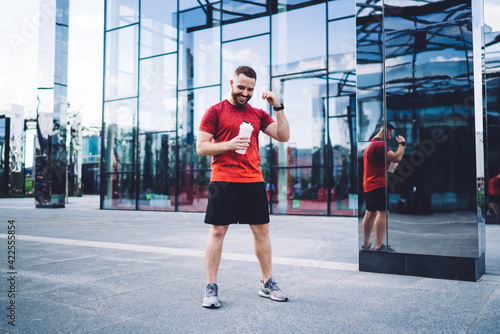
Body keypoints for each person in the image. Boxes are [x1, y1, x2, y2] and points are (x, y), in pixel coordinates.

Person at [197, 65, 290, 308]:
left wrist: (277, 106)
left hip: (252, 180)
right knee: (217, 231)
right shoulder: (214, 112)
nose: (245, 93)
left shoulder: (258, 114)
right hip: (223, 180)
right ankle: (211, 287)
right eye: (241, 87)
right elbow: (202, 147)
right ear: (231, 83)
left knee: (262, 231)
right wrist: (229, 145)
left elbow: (283, 136)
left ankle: (267, 282)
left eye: (250, 89)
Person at [361, 122, 405, 252]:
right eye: (391, 132)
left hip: (369, 184)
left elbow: (379, 163)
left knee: (370, 213)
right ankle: (379, 245)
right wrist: (402, 144)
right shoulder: (380, 145)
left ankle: (366, 244)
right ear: (386, 130)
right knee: (383, 213)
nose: (392, 136)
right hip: (378, 183)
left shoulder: (371, 145)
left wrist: (388, 165)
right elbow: (397, 157)